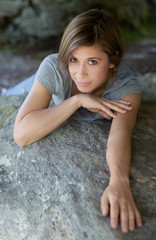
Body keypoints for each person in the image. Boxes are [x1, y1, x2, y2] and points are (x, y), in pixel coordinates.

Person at [13, 9, 142, 233]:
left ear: (113, 60)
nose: (80, 73)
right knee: (11, 92)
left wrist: (119, 181)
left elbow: (120, 132)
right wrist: (77, 101)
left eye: (92, 62)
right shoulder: (55, 67)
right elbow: (21, 135)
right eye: (74, 59)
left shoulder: (126, 87)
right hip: (33, 86)